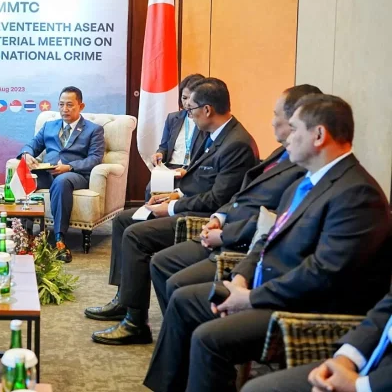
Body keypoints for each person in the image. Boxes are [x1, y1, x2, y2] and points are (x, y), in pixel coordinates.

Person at [143, 94, 392, 392]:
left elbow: (323, 273)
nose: (287, 136)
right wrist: (241, 277)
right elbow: (268, 238)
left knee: (208, 339)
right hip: (265, 287)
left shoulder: (356, 193)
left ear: (319, 135)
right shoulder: (307, 182)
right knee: (184, 301)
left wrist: (250, 298)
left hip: (302, 306)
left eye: (294, 128)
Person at [86, 78, 258, 344]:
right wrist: (173, 194)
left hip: (204, 218)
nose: (189, 114)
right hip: (189, 202)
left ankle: (135, 322)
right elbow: (200, 182)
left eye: (191, 109)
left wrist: (172, 206)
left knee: (136, 235)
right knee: (123, 220)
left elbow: (218, 199)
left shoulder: (236, 143)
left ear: (207, 110)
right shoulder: (216, 135)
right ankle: (125, 299)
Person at [149, 84, 322, 314]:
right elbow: (240, 196)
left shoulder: (302, 169)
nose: (272, 122)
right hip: (223, 227)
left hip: (239, 243)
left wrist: (224, 234)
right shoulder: (281, 154)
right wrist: (219, 218)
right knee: (162, 264)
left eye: (276, 115)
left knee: (179, 290)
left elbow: (272, 220)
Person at [241, 290, 392, 392]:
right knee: (257, 389)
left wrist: (362, 386)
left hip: (382, 381)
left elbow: (323, 271)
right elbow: (386, 308)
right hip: (372, 357)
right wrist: (346, 360)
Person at [19, 86, 105, 263]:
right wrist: (27, 154)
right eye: (61, 104)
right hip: (47, 172)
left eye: (69, 105)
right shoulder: (49, 126)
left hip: (74, 175)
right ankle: (24, 234)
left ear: (81, 106)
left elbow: (95, 158)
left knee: (61, 181)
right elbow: (31, 145)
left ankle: (60, 240)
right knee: (24, 177)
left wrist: (69, 167)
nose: (64, 109)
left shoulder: (93, 130)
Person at [151, 73, 205, 169]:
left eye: (192, 98)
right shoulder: (172, 118)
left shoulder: (207, 120)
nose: (187, 103)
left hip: (194, 169)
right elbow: (164, 147)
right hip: (171, 168)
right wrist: (159, 154)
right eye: (184, 98)